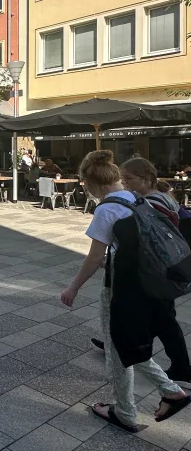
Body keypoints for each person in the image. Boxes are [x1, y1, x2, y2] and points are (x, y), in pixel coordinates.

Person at [61, 150, 189, 432]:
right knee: (124, 344)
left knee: (120, 346)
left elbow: (95, 258)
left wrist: (73, 286)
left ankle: (159, 396)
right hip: (147, 284)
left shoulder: (106, 208)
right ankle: (132, 405)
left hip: (122, 287)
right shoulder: (134, 197)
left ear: (90, 183)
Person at [88, 157, 191, 383]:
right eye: (122, 178)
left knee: (164, 320)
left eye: (129, 179)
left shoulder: (152, 202)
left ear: (147, 179)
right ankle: (119, 345)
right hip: (167, 267)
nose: (124, 183)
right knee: (160, 318)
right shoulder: (159, 196)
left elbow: (151, 241)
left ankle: (181, 368)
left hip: (158, 270)